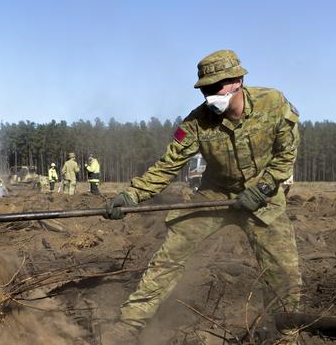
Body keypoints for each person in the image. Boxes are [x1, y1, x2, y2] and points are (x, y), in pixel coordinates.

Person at [102, 50, 301, 343]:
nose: (211, 95)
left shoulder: (273, 104)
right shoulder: (196, 123)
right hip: (214, 195)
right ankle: (128, 326)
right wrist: (131, 196)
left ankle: (286, 335)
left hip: (263, 197)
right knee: (169, 255)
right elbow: (167, 165)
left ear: (238, 81)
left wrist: (262, 188)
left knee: (283, 271)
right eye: (206, 89)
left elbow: (286, 155)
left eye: (216, 87)